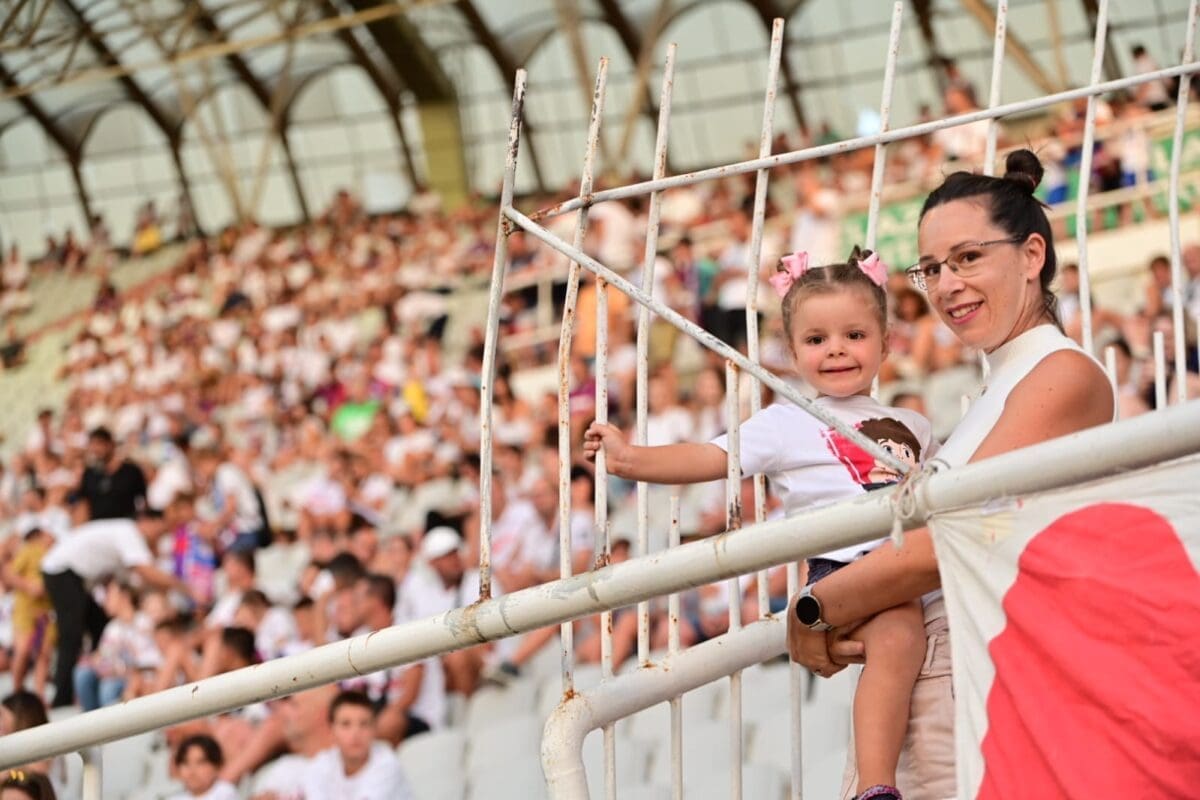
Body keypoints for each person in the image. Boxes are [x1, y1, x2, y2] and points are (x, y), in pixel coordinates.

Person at [787, 150, 1114, 800]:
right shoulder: (1006, 385)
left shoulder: (1060, 374)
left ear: (1032, 255)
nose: (946, 285)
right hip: (947, 677)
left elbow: (942, 545)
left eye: (967, 258)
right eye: (932, 268)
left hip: (972, 679)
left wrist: (814, 609)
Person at [586, 246, 936, 800]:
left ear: (886, 342)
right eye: (816, 340)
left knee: (909, 634)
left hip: (907, 568)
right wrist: (631, 460)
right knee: (898, 637)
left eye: (854, 335)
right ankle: (877, 786)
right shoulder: (786, 422)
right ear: (792, 353)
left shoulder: (915, 423)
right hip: (844, 572)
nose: (836, 349)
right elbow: (711, 456)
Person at [40, 512, 192, 707]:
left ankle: (66, 695)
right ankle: (63, 696)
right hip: (62, 572)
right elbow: (145, 570)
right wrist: (184, 588)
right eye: (159, 530)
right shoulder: (129, 533)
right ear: (147, 522)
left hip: (68, 574)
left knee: (90, 631)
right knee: (71, 635)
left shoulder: (139, 620)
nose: (157, 537)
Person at [298, 690, 413, 800]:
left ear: (374, 729)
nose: (355, 733)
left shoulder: (387, 763)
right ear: (332, 729)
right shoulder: (322, 763)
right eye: (346, 724)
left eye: (364, 724)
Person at [76, 427, 147, 520]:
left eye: (99, 443)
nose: (96, 449)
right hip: (96, 524)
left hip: (124, 522)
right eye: (92, 445)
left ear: (110, 444)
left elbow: (142, 500)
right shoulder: (89, 474)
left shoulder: (131, 471)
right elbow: (83, 503)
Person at [168, 735, 238, 800]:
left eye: (200, 762)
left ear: (217, 766)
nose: (192, 770)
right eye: (185, 763)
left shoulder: (225, 792)